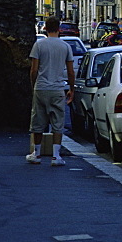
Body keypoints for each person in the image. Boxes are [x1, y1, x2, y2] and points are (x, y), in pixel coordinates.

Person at [27, 16, 75, 166]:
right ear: (59, 28)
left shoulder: (39, 45)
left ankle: (37, 153)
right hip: (58, 88)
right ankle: (56, 156)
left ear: (45, 28)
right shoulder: (65, 46)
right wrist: (71, 89)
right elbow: (71, 71)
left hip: (41, 87)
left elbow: (34, 70)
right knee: (58, 122)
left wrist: (33, 85)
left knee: (38, 121)